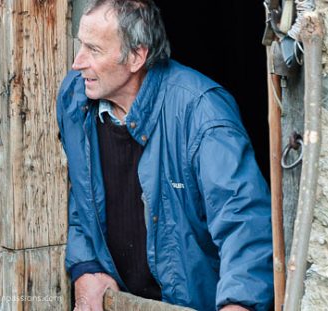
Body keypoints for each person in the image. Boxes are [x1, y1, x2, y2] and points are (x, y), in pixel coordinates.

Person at [56, 0, 274, 310]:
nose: (77, 62)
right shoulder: (75, 98)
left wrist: (240, 303)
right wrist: (86, 266)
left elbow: (245, 222)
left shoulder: (202, 114)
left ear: (136, 56)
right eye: (81, 45)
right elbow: (81, 195)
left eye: (94, 50)